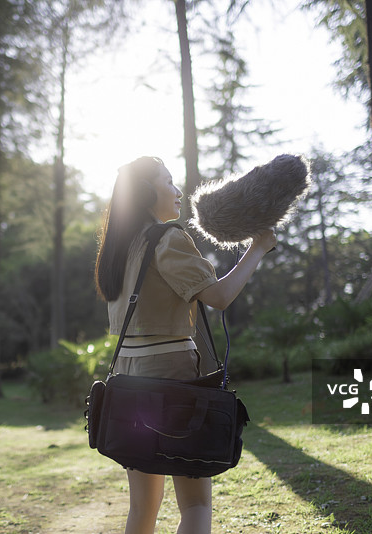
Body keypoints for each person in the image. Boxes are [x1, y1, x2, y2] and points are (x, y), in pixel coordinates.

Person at [94, 156, 277, 534]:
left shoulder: (119, 248)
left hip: (127, 377)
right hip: (171, 374)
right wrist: (258, 248)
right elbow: (219, 296)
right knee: (195, 504)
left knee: (142, 507)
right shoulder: (167, 238)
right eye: (169, 182)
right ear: (147, 191)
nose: (178, 191)